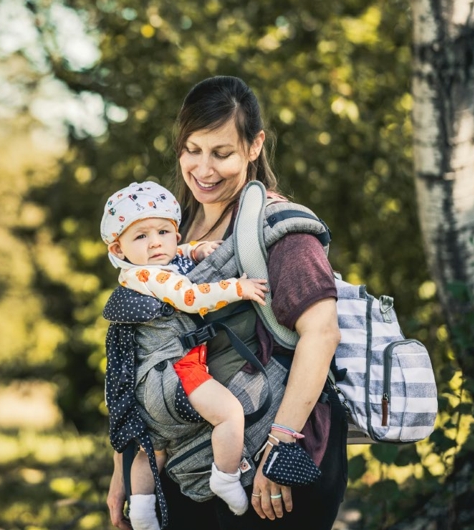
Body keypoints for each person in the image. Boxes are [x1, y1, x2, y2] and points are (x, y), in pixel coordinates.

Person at [105, 75, 346, 530]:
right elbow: (137, 351)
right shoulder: (167, 229)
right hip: (182, 465)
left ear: (254, 147)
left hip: (270, 461)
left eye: (221, 153)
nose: (203, 169)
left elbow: (323, 332)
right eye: (192, 150)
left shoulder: (279, 226)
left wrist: (281, 446)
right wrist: (124, 469)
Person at [100, 181, 269, 529]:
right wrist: (238, 288)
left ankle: (144, 512)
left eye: (164, 231)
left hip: (147, 386)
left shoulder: (137, 272)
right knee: (229, 415)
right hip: (178, 372)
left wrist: (193, 251)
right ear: (118, 247)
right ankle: (225, 476)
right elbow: (190, 297)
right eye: (141, 237)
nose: (156, 242)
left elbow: (175, 256)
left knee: (154, 450)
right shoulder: (152, 275)